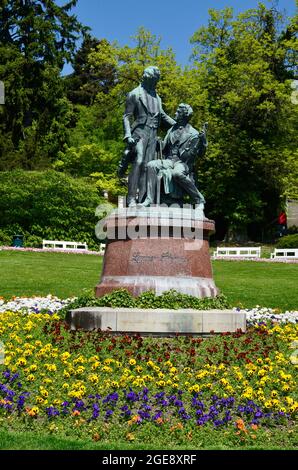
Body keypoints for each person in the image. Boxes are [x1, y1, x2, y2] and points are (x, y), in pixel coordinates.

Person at [121, 66, 175, 207]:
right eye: (151, 80)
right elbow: (126, 117)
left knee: (147, 166)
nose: (153, 83)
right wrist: (127, 135)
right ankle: (131, 198)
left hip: (153, 134)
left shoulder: (157, 97)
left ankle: (143, 199)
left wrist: (178, 125)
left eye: (154, 81)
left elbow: (162, 115)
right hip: (139, 132)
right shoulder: (134, 94)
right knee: (138, 162)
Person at [141, 103, 206, 209]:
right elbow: (163, 147)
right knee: (151, 165)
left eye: (178, 112)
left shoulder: (193, 133)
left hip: (182, 163)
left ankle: (198, 199)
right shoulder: (171, 130)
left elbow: (200, 154)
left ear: (184, 115)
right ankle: (149, 199)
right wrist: (158, 142)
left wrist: (203, 142)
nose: (175, 113)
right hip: (169, 160)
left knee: (177, 173)